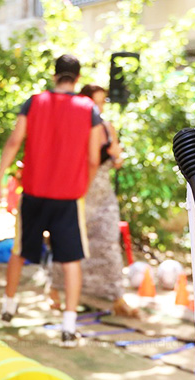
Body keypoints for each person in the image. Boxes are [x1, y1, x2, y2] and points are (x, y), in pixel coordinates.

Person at [0, 54, 105, 348]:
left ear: (55, 76)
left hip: (34, 193)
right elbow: (94, 158)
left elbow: (15, 141)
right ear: (77, 80)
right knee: (71, 260)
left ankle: (7, 307)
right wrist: (83, 187)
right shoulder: (88, 108)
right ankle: (67, 328)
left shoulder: (35, 101)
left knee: (19, 250)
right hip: (68, 197)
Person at [48, 84, 135, 317]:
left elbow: (116, 159)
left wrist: (118, 156)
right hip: (76, 192)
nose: (100, 107)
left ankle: (116, 298)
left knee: (108, 244)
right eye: (96, 102)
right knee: (68, 244)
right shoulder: (72, 127)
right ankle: (56, 291)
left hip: (102, 194)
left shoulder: (107, 127)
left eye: (102, 102)